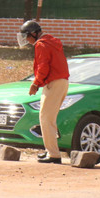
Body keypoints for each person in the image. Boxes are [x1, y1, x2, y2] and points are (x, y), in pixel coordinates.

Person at [19, 20, 70, 164]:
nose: (27, 40)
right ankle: (51, 151)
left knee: (46, 118)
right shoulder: (51, 41)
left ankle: (53, 154)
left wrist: (35, 83)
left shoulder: (41, 45)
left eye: (27, 36)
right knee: (49, 118)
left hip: (54, 83)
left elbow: (43, 67)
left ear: (34, 34)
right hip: (62, 82)